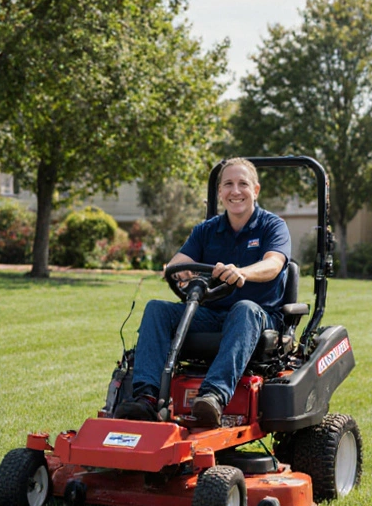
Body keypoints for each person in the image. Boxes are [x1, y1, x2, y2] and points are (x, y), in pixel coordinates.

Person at [115, 157, 291, 427]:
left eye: (243, 184)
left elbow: (274, 264)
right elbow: (177, 263)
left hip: (259, 317)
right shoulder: (206, 230)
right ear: (220, 192)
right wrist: (177, 270)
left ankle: (212, 397)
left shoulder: (272, 226)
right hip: (211, 313)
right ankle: (146, 399)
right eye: (228, 184)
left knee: (244, 308)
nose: (235, 191)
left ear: (255, 190)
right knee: (157, 309)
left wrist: (243, 272)